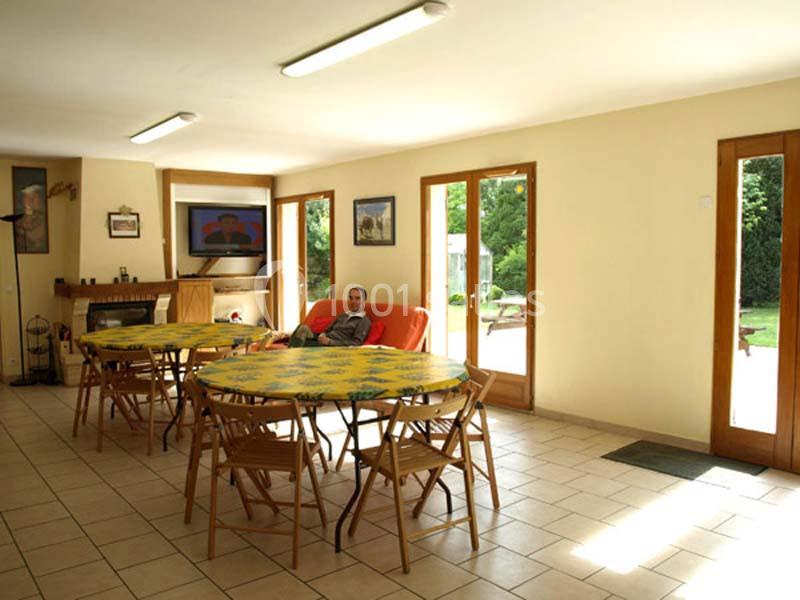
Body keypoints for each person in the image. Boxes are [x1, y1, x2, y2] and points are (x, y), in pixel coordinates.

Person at [280, 287, 371, 347]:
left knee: (300, 342)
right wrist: (323, 334)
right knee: (302, 328)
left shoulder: (364, 321)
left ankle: (292, 354)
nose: (353, 301)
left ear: (364, 301)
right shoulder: (343, 315)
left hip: (332, 346)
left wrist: (329, 342)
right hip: (321, 340)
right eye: (351, 298)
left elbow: (356, 343)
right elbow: (327, 330)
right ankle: (293, 350)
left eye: (357, 298)